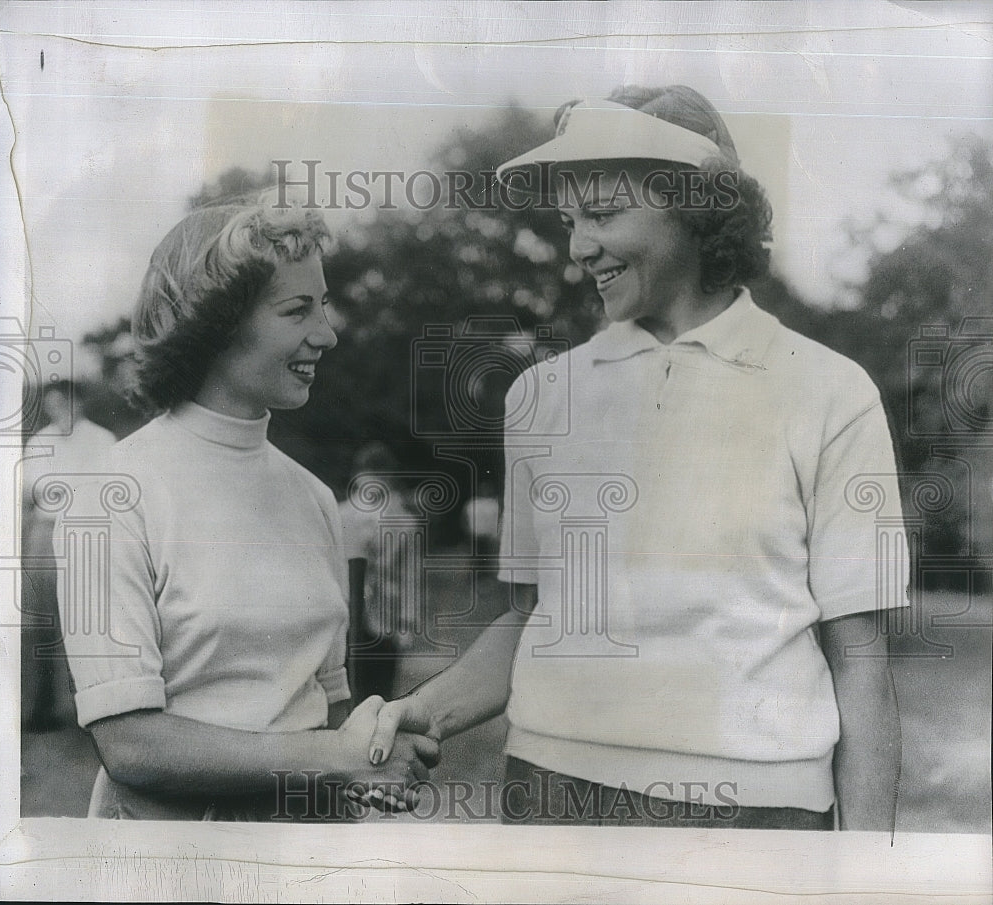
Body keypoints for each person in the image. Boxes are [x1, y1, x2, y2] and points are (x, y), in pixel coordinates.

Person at [368, 85, 907, 830]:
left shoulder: (829, 392)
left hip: (758, 816)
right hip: (553, 792)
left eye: (603, 214)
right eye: (569, 220)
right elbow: (532, 618)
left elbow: (861, 659)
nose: (578, 246)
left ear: (696, 209)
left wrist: (866, 871)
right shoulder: (540, 396)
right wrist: (420, 710)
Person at [59, 205, 437, 820]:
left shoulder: (313, 497)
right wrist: (333, 757)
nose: (327, 333)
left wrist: (369, 757)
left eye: (323, 304)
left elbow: (325, 706)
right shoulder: (110, 494)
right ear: (216, 324)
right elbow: (129, 745)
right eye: (298, 310)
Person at [21, 381, 116, 730]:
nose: (59, 411)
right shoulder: (41, 441)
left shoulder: (102, 440)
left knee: (88, 621)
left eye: (65, 403)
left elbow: (105, 493)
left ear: (79, 403)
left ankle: (92, 711)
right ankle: (41, 710)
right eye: (53, 405)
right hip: (46, 535)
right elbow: (35, 490)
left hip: (88, 536)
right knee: (41, 621)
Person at [339, 442, 422, 702]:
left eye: (380, 478)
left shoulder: (405, 522)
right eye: (366, 477)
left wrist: (407, 623)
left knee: (381, 690)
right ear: (356, 477)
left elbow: (411, 575)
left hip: (386, 616)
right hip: (346, 613)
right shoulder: (340, 514)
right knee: (347, 688)